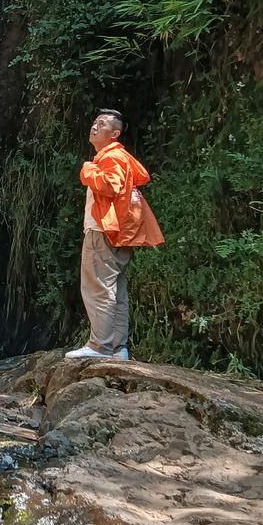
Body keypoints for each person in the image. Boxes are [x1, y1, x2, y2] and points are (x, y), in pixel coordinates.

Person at [65, 109, 164, 360]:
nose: (94, 127)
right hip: (119, 233)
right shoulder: (120, 157)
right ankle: (119, 349)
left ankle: (100, 346)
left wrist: (87, 171)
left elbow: (110, 185)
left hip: (103, 231)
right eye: (94, 122)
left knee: (97, 288)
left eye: (101, 124)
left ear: (115, 134)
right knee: (117, 292)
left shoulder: (111, 156)